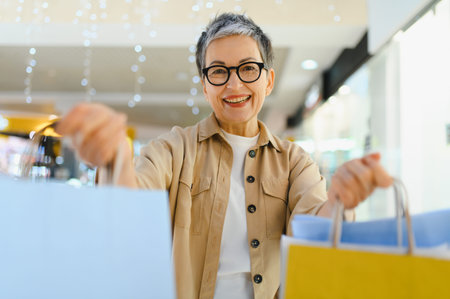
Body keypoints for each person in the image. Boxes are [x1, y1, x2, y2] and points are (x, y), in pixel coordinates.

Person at [56, 13, 393, 299]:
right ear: (205, 85)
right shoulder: (174, 149)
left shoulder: (294, 161)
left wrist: (340, 199)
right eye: (218, 71)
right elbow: (132, 202)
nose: (234, 85)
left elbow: (315, 228)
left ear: (269, 80)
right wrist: (115, 156)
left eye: (248, 68)